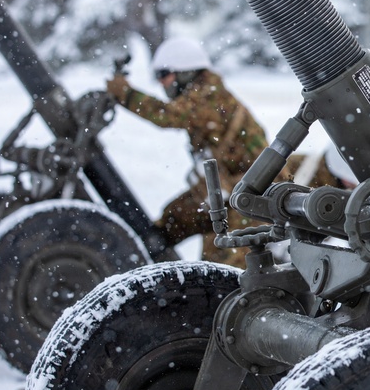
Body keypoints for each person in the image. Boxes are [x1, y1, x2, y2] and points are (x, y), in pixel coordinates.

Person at [106, 36, 269, 269]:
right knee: (172, 221)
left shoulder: (208, 96)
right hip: (231, 191)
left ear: (184, 73)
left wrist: (126, 94)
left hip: (252, 196)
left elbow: (167, 115)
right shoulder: (205, 92)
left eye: (164, 75)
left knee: (224, 264)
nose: (161, 83)